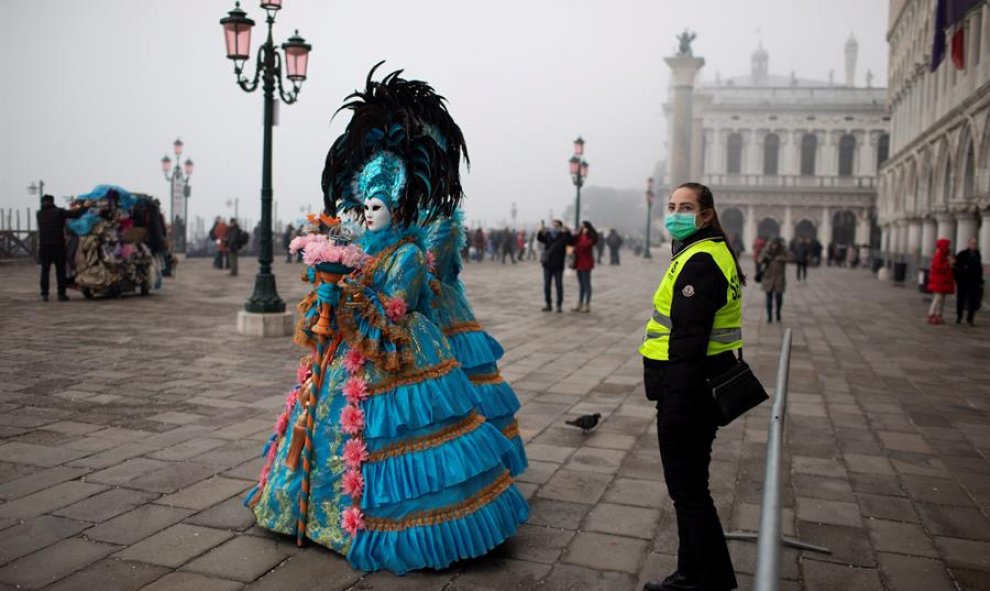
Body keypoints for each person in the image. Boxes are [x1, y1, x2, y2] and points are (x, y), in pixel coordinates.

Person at [246, 65, 527, 575]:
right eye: (365, 205)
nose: (369, 213)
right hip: (351, 350)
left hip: (398, 349)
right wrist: (330, 284)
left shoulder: (410, 252)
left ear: (396, 208)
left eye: (379, 205)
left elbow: (396, 308)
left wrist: (350, 295)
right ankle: (310, 511)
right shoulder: (360, 247)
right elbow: (351, 295)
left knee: (400, 436)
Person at [640, 182, 744, 591]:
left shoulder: (699, 262)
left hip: (688, 392)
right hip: (702, 386)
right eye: (671, 206)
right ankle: (692, 574)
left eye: (685, 207)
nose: (675, 213)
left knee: (688, 492)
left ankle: (710, 579)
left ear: (705, 215)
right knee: (691, 489)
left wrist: (678, 405)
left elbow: (688, 340)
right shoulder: (710, 252)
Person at [36, 194, 86, 301]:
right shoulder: (58, 212)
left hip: (44, 246)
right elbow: (75, 214)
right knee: (60, 270)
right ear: (52, 201)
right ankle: (61, 294)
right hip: (57, 245)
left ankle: (44, 294)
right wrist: (85, 206)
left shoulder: (39, 214)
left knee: (45, 270)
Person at [537, 219, 572, 312]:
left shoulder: (563, 236)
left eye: (556, 225)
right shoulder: (548, 234)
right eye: (553, 225)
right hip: (547, 264)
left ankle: (559, 305)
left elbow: (571, 242)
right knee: (547, 285)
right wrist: (541, 230)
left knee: (559, 285)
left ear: (560, 227)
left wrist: (568, 231)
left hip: (558, 265)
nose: (554, 227)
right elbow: (540, 239)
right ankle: (548, 304)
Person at [759, 238, 792, 323]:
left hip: (779, 278)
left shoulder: (783, 251)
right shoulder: (766, 251)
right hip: (768, 278)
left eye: (776, 244)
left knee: (779, 298)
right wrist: (763, 259)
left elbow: (791, 258)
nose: (774, 246)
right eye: (773, 244)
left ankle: (778, 313)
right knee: (768, 298)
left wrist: (780, 258)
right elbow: (759, 260)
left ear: (778, 245)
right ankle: (769, 316)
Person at [955, 237, 983, 326]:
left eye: (975, 243)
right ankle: (959, 316)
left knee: (972, 300)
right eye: (972, 243)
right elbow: (956, 267)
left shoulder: (978, 255)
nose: (974, 245)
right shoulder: (962, 254)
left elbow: (979, 269)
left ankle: (970, 319)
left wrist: (980, 281)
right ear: (968, 244)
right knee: (961, 299)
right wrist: (959, 277)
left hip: (973, 282)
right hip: (963, 281)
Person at [927, 238, 955, 324]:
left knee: (942, 298)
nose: (949, 247)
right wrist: (948, 263)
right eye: (947, 246)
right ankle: (931, 313)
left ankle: (939, 314)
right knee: (938, 297)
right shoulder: (939, 255)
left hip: (944, 280)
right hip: (939, 281)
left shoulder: (945, 255)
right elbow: (938, 267)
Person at [572, 220, 598, 313]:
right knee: (581, 285)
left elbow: (585, 245)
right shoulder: (579, 236)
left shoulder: (590, 237)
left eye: (584, 227)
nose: (582, 228)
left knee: (586, 284)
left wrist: (583, 236)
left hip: (586, 263)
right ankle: (580, 303)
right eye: (581, 227)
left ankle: (587, 304)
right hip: (578, 263)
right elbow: (573, 244)